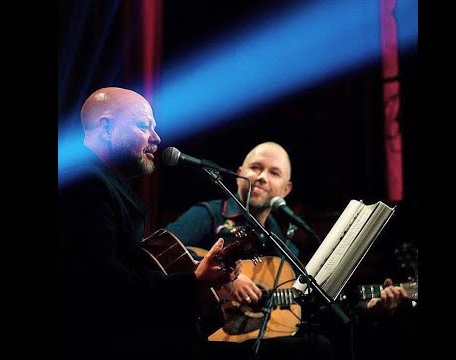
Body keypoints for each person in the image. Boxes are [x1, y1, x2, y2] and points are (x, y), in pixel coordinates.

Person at [165, 141, 412, 360]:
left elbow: (310, 303)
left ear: (286, 189)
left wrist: (367, 307)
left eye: (274, 173)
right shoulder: (207, 214)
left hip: (247, 339)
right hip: (198, 332)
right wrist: (225, 276)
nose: (262, 177)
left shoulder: (284, 247)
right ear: (239, 173)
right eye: (255, 168)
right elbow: (162, 251)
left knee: (319, 346)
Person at [57, 87, 242, 360]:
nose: (156, 137)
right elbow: (107, 290)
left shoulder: (100, 184)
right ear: (106, 127)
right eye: (145, 126)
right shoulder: (86, 185)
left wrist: (192, 274)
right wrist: (193, 281)